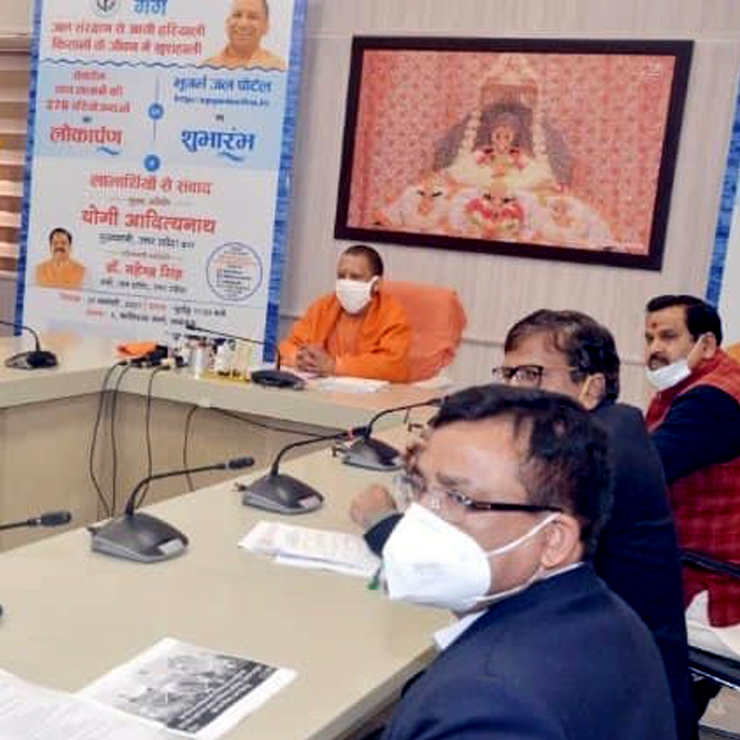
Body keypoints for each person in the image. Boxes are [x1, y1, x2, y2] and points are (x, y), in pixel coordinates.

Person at [353, 309, 695, 739]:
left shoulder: (489, 703)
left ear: (592, 387)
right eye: (509, 374)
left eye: (532, 375)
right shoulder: (613, 431)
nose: (514, 389)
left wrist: (385, 526)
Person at [644, 295, 740, 629]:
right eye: (649, 338)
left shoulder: (711, 401)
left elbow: (647, 469)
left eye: (668, 337)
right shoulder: (705, 383)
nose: (654, 350)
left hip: (711, 579)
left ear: (707, 344)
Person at [278, 245, 411, 382]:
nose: (346, 283)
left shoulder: (392, 313)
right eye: (341, 276)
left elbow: (392, 366)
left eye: (355, 277)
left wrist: (335, 366)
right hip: (321, 388)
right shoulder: (323, 307)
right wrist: (299, 358)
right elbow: (286, 348)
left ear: (376, 284)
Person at [202, 0, 286, 71]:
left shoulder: (278, 68)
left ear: (266, 27)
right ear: (227, 22)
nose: (243, 24)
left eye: (252, 17)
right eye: (237, 15)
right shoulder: (207, 67)